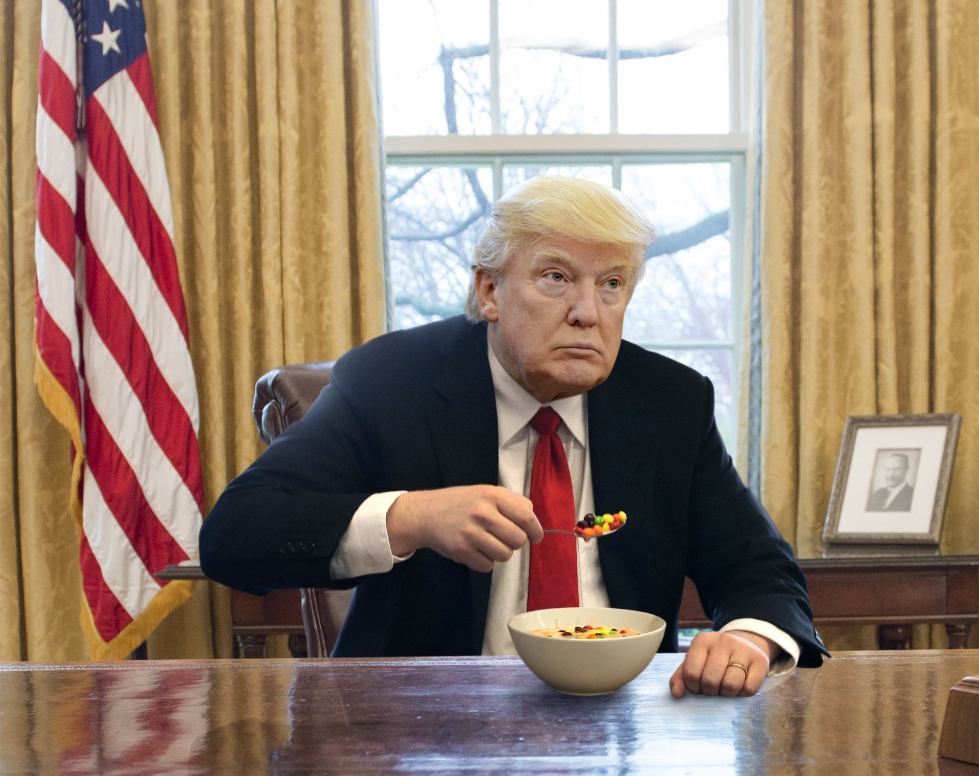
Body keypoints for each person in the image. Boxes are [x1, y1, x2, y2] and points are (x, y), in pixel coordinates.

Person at [200, 175, 828, 699]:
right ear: (489, 289)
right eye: (556, 277)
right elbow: (235, 535)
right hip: (421, 729)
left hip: (623, 724)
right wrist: (412, 516)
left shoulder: (671, 403)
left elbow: (757, 568)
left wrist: (747, 640)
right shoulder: (393, 382)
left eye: (611, 284)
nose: (588, 311)